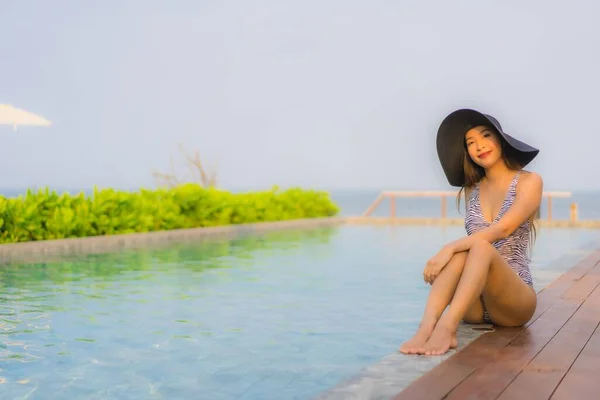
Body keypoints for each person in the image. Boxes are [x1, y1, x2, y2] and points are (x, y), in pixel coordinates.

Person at [399, 108, 543, 356]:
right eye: (471, 143)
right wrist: (455, 251)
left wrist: (448, 248)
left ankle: (447, 327)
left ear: (501, 139)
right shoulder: (471, 190)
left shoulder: (529, 181)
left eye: (486, 136)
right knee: (465, 251)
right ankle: (427, 327)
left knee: (477, 246)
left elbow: (503, 228)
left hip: (514, 302)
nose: (479, 146)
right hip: (473, 304)